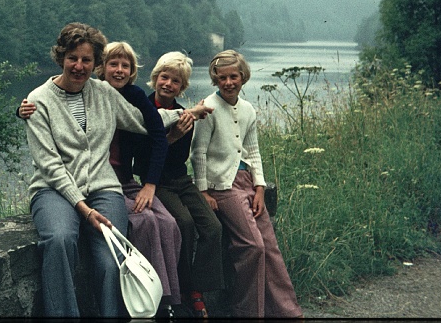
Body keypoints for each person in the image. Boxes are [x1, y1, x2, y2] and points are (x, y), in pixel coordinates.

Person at [22, 23, 183, 318]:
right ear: (61, 57)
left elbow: (143, 121)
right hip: (52, 190)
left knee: (111, 262)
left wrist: (183, 114)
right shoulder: (37, 101)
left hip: (103, 187)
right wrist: (83, 209)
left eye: (87, 60)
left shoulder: (105, 93)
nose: (79, 66)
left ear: (96, 63)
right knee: (59, 240)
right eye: (73, 58)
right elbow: (51, 167)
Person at [191, 50, 303, 319]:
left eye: (234, 77)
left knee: (270, 248)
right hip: (223, 186)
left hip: (248, 184)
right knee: (253, 247)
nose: (229, 82)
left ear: (243, 77)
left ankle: (286, 311)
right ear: (215, 79)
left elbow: (253, 151)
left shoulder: (248, 109)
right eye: (222, 78)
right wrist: (204, 190)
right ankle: (246, 310)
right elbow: (199, 153)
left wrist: (260, 188)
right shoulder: (208, 107)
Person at [127, 50, 225, 318]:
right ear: (155, 78)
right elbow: (141, 159)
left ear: (182, 87)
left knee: (212, 227)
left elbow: (179, 160)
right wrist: (169, 138)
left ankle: (198, 287)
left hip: (181, 180)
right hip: (156, 182)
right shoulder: (142, 110)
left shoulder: (184, 115)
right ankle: (183, 290)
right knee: (184, 223)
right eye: (164, 78)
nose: (168, 84)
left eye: (176, 82)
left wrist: (179, 136)